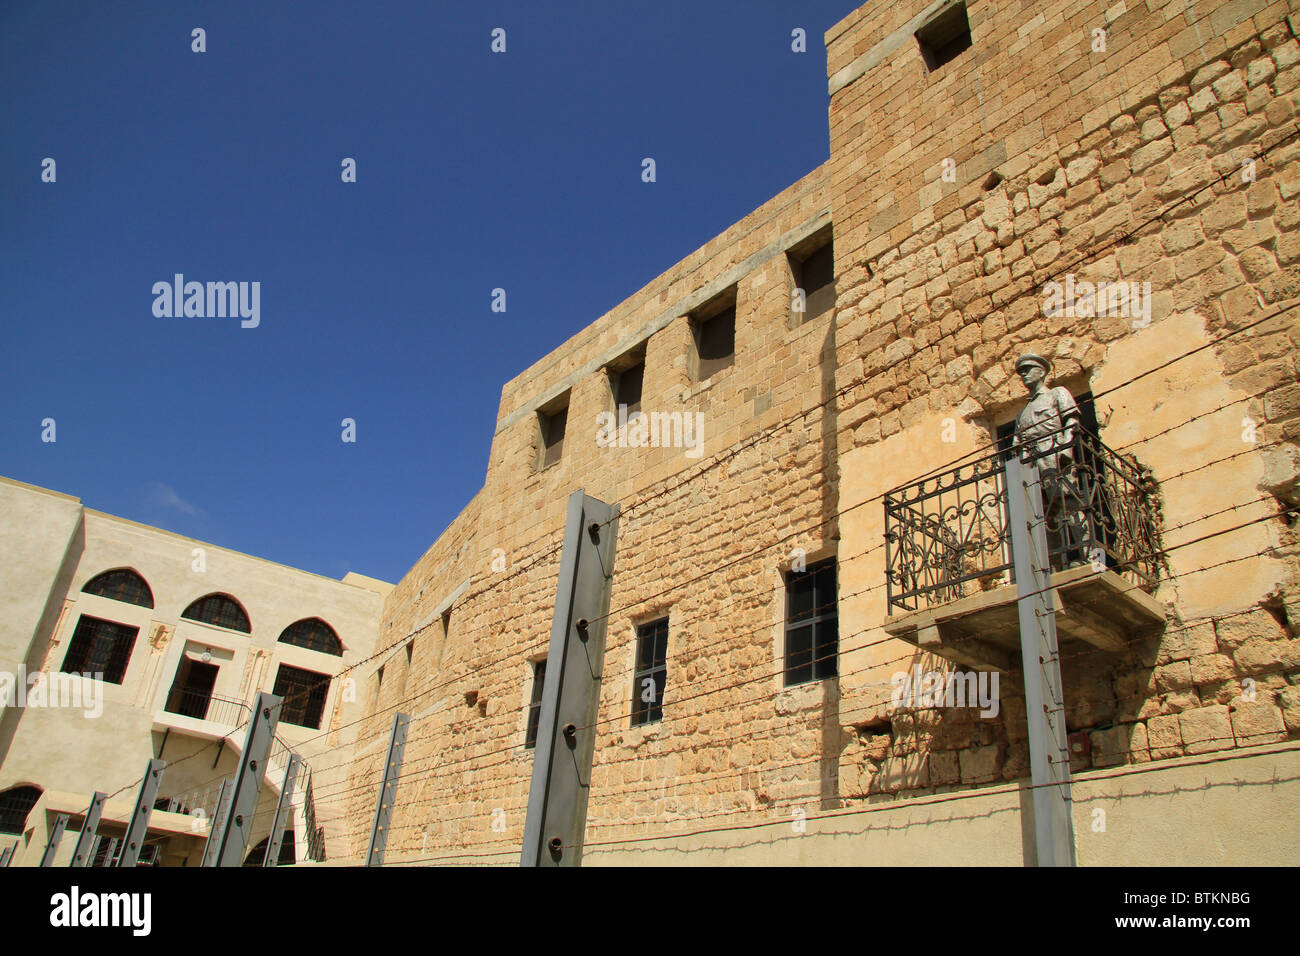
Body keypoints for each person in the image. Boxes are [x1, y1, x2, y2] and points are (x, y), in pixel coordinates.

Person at [1011, 354, 1088, 564]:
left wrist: (1066, 447)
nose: (1023, 374)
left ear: (1042, 371)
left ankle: (1088, 556)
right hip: (1032, 461)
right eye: (1020, 372)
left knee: (1068, 503)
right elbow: (1017, 444)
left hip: (1053, 450)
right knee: (1041, 515)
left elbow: (1071, 419)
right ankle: (1053, 565)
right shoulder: (1022, 413)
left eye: (1027, 368)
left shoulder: (1057, 393)